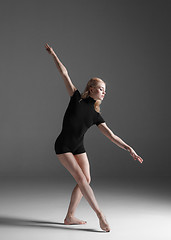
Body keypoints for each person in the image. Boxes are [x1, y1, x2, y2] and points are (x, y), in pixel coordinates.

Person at [45, 43, 143, 232]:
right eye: (100, 89)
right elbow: (64, 73)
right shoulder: (76, 98)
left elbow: (112, 136)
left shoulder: (96, 115)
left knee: (86, 180)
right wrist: (54, 54)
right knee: (81, 179)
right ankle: (101, 216)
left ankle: (69, 216)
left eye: (105, 90)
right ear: (90, 89)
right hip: (63, 146)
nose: (104, 92)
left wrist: (129, 148)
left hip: (78, 147)